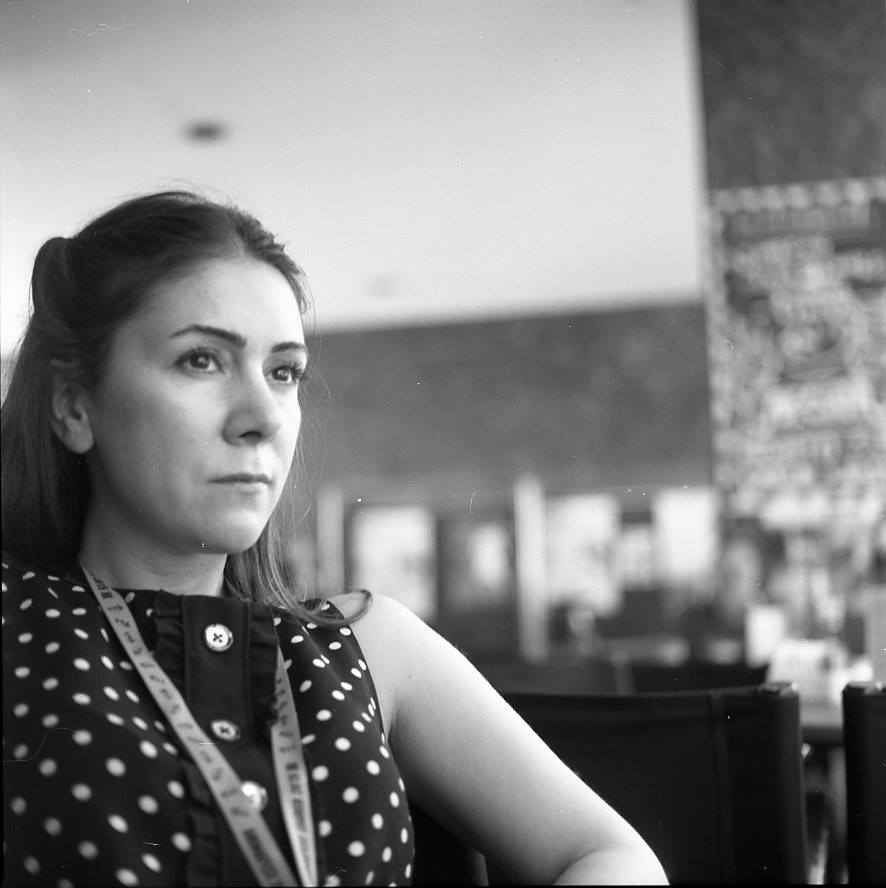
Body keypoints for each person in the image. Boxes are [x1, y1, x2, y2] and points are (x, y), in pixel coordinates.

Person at [1, 190, 667, 886]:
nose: (263, 415)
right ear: (74, 405)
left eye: (283, 372)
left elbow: (612, 857)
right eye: (202, 360)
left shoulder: (372, 646)